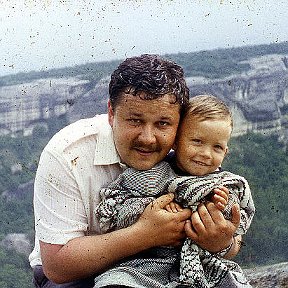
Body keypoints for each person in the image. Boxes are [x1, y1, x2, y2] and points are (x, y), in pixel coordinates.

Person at [29, 54, 241, 287]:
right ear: (111, 113)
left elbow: (229, 237)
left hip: (157, 266)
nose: (148, 139)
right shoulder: (68, 154)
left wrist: (221, 242)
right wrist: (145, 234)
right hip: (78, 275)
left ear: (178, 124)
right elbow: (57, 267)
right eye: (135, 121)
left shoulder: (191, 149)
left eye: (162, 123)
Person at [95, 95, 255, 287]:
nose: (205, 153)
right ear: (176, 141)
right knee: (115, 283)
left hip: (203, 266)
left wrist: (223, 210)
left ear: (225, 153)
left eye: (217, 147)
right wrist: (149, 209)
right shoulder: (153, 174)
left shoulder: (227, 184)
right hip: (146, 265)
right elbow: (113, 205)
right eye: (197, 141)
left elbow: (238, 223)